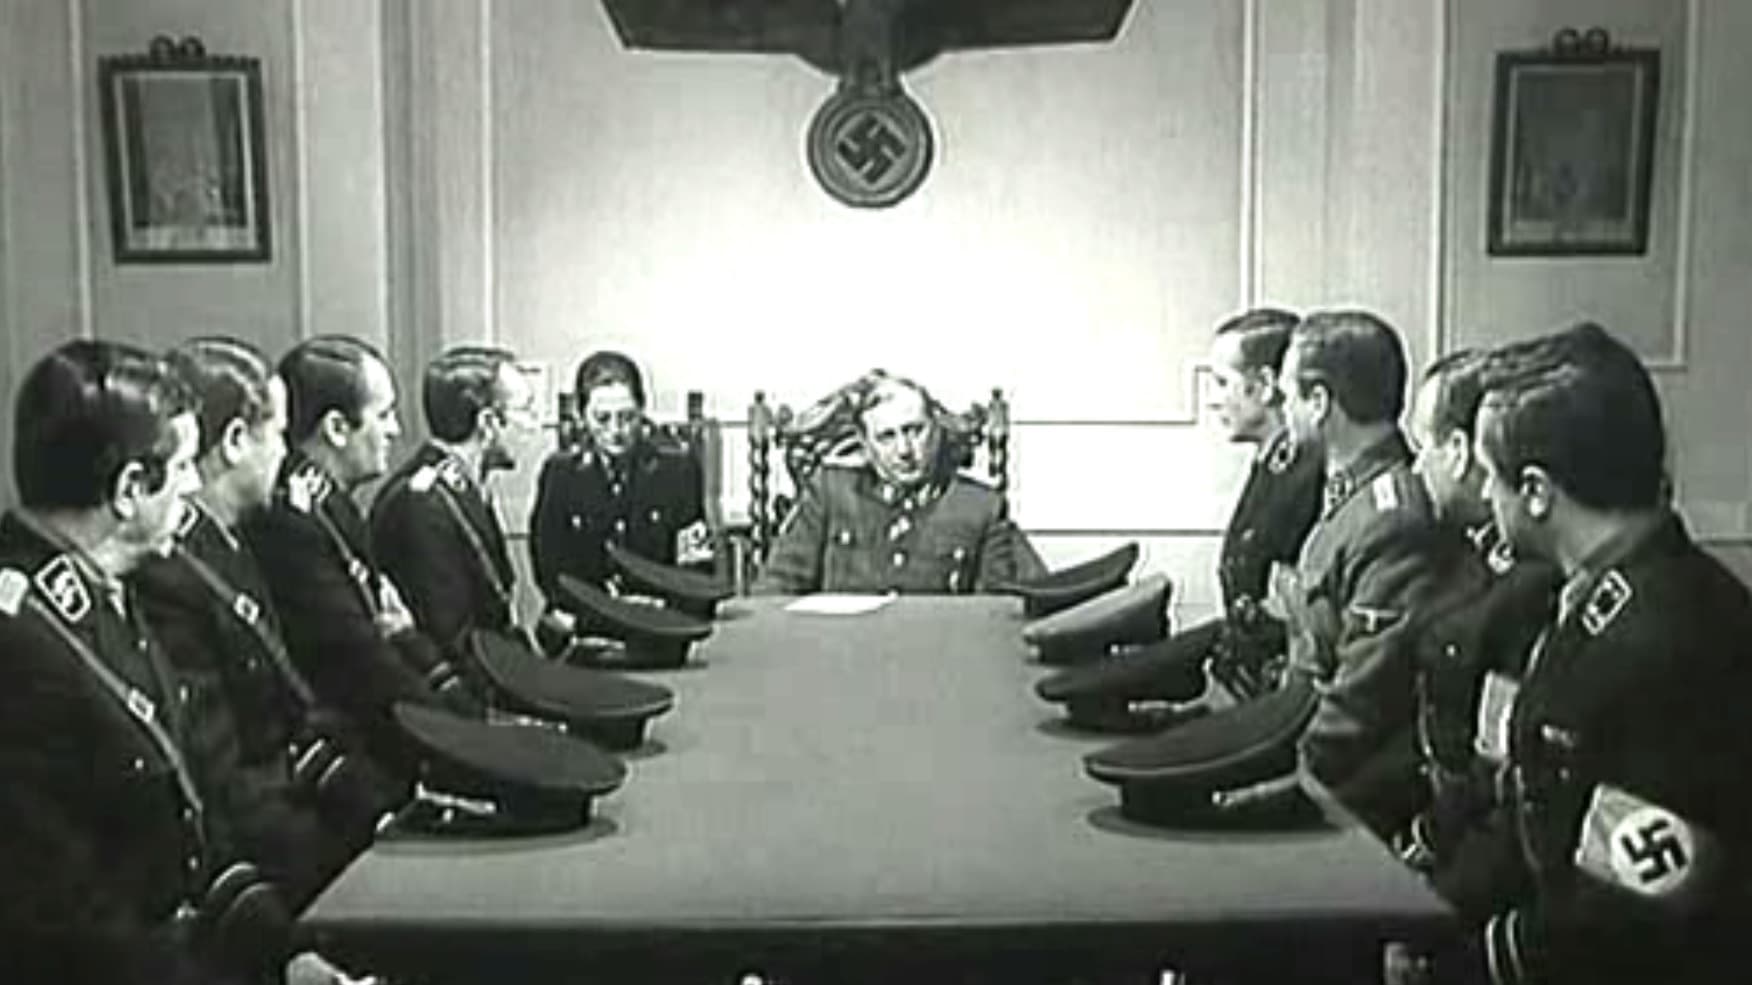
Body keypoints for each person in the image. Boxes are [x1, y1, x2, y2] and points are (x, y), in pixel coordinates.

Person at [0, 340, 356, 985]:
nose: (194, 486)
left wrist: (285, 954)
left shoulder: (106, 591)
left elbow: (196, 818)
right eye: (185, 465)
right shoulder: (21, 641)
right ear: (129, 490)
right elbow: (68, 913)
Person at [1434, 324, 1752, 985]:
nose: (1485, 497)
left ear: (1536, 491)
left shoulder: (1669, 644)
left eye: (1491, 477)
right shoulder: (1585, 598)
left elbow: (1634, 907)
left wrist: (1468, 963)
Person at [1084, 310, 1445, 831]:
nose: (1285, 408)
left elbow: (1360, 705)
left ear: (1319, 403)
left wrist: (1263, 774)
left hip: (1348, 800)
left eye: (1291, 394)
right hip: (1295, 737)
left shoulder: (1389, 517)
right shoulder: (1350, 498)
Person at [133, 338, 398, 910]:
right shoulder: (174, 575)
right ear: (235, 442)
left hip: (302, 804)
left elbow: (296, 714)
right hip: (266, 854)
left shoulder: (231, 543)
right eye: (277, 433)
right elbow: (224, 778)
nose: (285, 451)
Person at [1036, 308, 1324, 730]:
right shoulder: (1276, 465)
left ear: (1264, 386)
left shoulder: (1306, 477)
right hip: (1238, 683)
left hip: (1271, 705)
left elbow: (1293, 616)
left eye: (1222, 382)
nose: (1212, 399)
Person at [243, 335, 480, 779]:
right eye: (384, 415)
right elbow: (361, 664)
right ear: (336, 428)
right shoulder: (294, 524)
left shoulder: (333, 507)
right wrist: (462, 733)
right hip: (356, 754)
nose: (396, 430)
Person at [1391, 348, 1561, 884]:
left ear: (1460, 452)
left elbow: (1501, 774)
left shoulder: (1535, 589)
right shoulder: (1467, 553)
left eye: (1425, 446)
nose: (1417, 467)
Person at [753, 371, 1042, 594]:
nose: (904, 450)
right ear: (866, 444)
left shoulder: (979, 508)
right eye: (887, 437)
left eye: (914, 431)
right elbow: (775, 590)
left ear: (937, 431)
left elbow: (997, 612)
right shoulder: (830, 494)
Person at [371, 345, 536, 654]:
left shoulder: (463, 489)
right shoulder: (422, 505)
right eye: (525, 410)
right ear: (488, 423)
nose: (533, 425)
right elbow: (449, 638)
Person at [529, 350, 710, 607]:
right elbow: (549, 570)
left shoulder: (678, 472)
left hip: (659, 618)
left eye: (627, 417)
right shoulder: (560, 475)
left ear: (642, 409)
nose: (615, 431)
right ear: (582, 415)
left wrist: (666, 611)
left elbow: (696, 570)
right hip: (585, 618)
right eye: (602, 419)